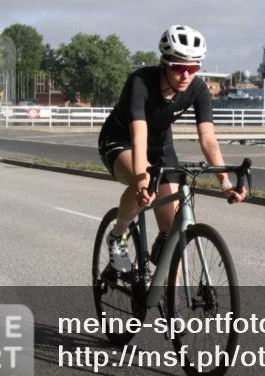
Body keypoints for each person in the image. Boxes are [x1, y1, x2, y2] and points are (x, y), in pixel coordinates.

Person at [97, 25, 246, 273]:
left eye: (194, 68)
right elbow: (139, 135)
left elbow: (208, 139)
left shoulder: (197, 89)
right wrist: (144, 181)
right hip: (121, 140)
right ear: (164, 63)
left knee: (173, 236)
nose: (186, 75)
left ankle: (171, 306)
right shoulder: (141, 82)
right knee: (141, 180)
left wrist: (225, 183)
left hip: (162, 145)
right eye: (179, 68)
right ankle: (118, 235)